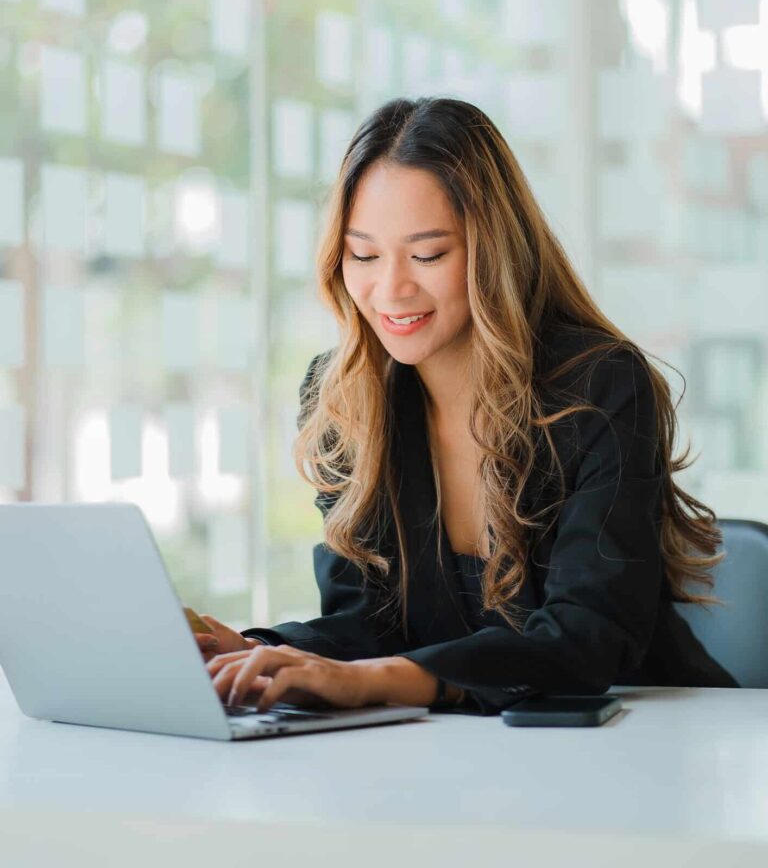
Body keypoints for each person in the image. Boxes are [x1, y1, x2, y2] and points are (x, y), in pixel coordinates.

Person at [195, 96, 737, 715]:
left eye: (428, 255)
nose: (391, 289)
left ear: (494, 251)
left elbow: (584, 642)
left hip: (646, 736)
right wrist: (256, 651)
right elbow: (368, 629)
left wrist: (380, 681)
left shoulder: (600, 386)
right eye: (363, 255)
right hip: (469, 755)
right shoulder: (343, 400)